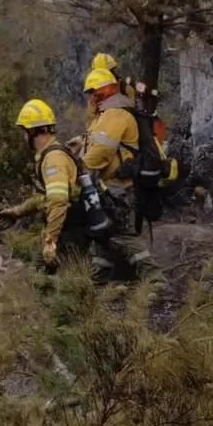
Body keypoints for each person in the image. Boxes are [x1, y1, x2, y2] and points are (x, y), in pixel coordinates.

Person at [81, 67, 160, 282]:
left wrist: (78, 171)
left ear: (100, 92)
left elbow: (102, 151)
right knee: (103, 238)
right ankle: (97, 282)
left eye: (91, 92)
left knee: (122, 235)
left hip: (116, 188)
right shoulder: (110, 113)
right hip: (111, 187)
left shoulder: (115, 113)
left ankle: (156, 280)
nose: (89, 98)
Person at [0, 99, 88, 272]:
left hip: (69, 231)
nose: (24, 137)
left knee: (45, 275)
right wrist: (18, 211)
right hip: (67, 227)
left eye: (25, 132)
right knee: (40, 275)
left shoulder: (53, 159)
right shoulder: (50, 154)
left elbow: (58, 202)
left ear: (33, 131)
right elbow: (43, 198)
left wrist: (51, 242)